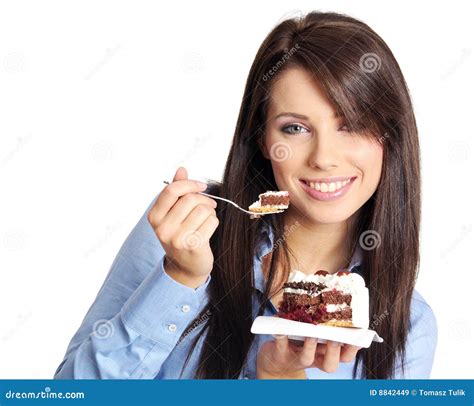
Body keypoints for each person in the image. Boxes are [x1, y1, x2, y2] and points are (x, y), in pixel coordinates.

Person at [54, 11, 437, 380]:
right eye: (295, 128)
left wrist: (280, 379)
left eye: (351, 125)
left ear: (391, 137)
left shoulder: (408, 326)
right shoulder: (184, 233)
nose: (323, 158)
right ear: (263, 138)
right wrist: (180, 277)